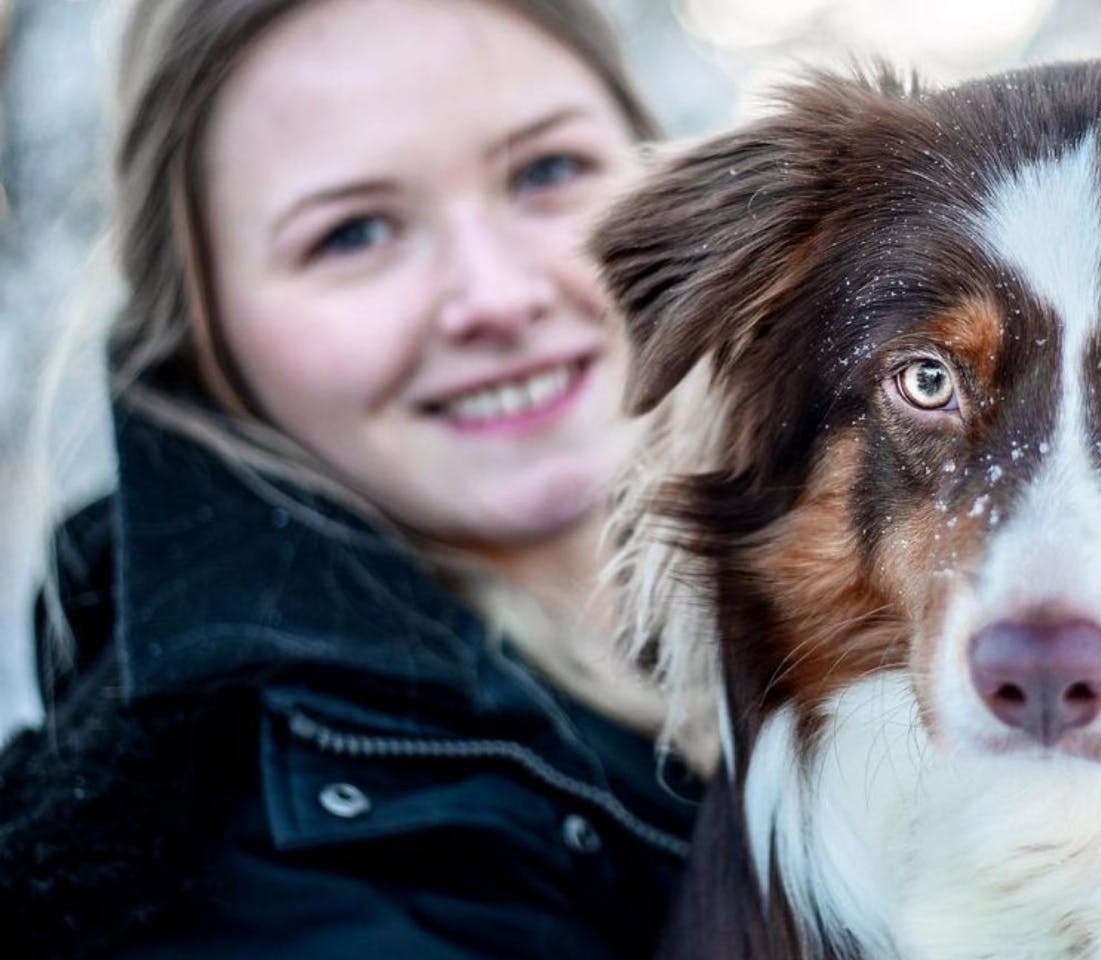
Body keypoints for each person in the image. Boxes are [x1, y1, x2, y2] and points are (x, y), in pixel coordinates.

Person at [0, 0, 709, 956]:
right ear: (208, 338)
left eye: (548, 171)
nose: (497, 297)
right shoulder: (274, 878)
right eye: (353, 234)